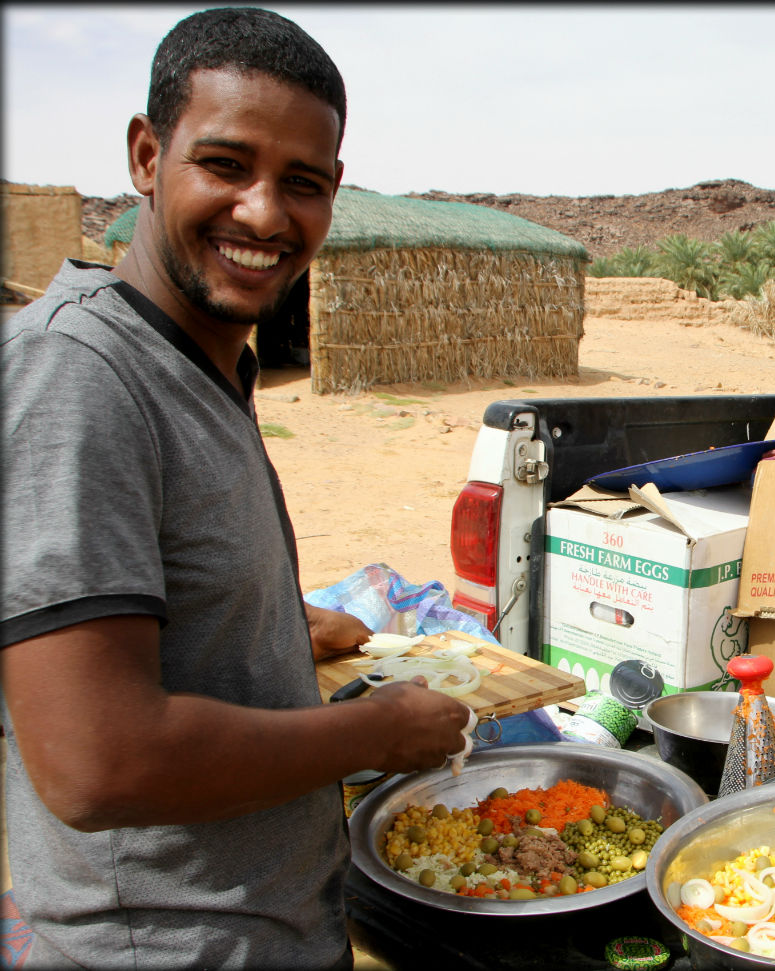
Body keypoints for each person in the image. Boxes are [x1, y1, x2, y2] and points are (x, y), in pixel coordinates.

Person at [0, 8, 472, 969]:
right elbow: (99, 760)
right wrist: (371, 729)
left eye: (301, 183)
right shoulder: (77, 375)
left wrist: (270, 622)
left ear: (334, 191)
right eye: (224, 165)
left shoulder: (199, 364)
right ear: (145, 155)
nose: (264, 213)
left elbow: (148, 595)